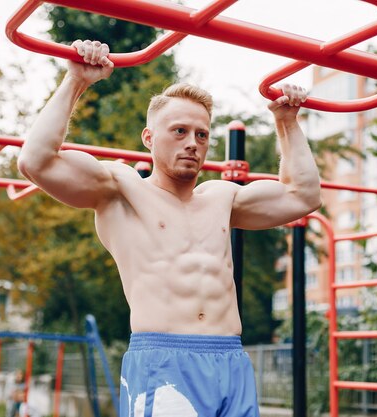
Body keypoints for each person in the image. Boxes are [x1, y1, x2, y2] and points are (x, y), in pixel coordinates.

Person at [18, 39, 321, 417]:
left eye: (202, 134)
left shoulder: (223, 198)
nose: (192, 143)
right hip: (164, 362)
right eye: (179, 131)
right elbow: (36, 162)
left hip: (230, 360)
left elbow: (302, 196)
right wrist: (76, 80)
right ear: (149, 138)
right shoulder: (119, 189)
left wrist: (286, 121)